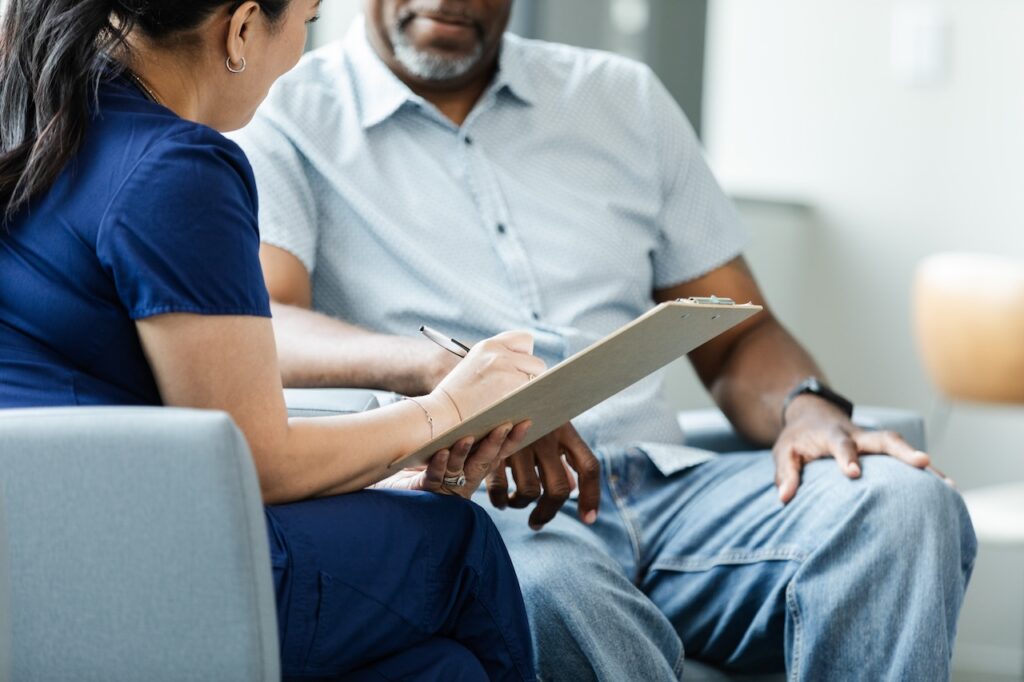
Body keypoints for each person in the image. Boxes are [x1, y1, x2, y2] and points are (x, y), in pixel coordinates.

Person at [231, 0, 979, 679]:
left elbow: (741, 338)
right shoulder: (286, 112)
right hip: (486, 504)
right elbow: (271, 323)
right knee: (552, 594)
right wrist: (449, 380)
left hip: (665, 488)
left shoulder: (622, 98)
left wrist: (808, 407)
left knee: (901, 506)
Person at [0, 1, 541, 680]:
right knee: (458, 542)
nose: (297, 58)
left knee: (440, 668)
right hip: (130, 567)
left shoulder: (37, 118)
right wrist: (452, 409)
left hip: (33, 551)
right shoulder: (177, 166)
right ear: (244, 25)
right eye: (307, 23)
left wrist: (367, 466)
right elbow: (257, 460)